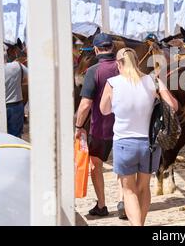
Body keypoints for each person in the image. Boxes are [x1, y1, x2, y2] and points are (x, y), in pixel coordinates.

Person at [100, 48, 178, 226]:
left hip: (124, 143)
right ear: (137, 62)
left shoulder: (112, 83)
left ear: (118, 64)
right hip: (149, 145)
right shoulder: (153, 81)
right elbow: (173, 106)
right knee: (143, 188)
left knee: (129, 191)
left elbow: (104, 110)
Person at [74, 32, 125, 219]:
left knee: (96, 165)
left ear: (96, 49)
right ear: (112, 48)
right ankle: (123, 201)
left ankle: (102, 205)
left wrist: (79, 126)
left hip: (100, 127)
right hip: (124, 126)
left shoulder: (93, 71)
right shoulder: (125, 68)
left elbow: (85, 104)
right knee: (123, 166)